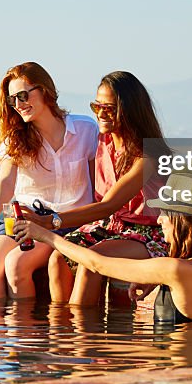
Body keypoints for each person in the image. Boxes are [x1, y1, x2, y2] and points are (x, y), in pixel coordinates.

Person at [21, 71, 171, 305]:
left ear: (129, 110)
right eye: (96, 106)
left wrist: (48, 222)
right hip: (110, 228)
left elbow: (107, 205)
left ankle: (84, 337)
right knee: (58, 258)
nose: (101, 114)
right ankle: (61, 335)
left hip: (146, 234)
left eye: (109, 108)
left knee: (92, 261)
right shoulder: (105, 141)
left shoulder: (148, 156)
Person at [14, 172, 192, 323]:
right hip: (176, 367)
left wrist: (45, 235)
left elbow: (97, 263)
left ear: (182, 220)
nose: (159, 220)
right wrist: (157, 278)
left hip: (174, 374)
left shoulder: (177, 270)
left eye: (164, 213)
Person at [0, 62, 98, 300]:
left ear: (44, 90)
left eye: (23, 95)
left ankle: (26, 336)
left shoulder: (86, 130)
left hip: (70, 222)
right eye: (13, 100)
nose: (19, 105)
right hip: (24, 220)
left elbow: (98, 187)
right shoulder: (15, 138)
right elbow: (5, 182)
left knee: (16, 264)